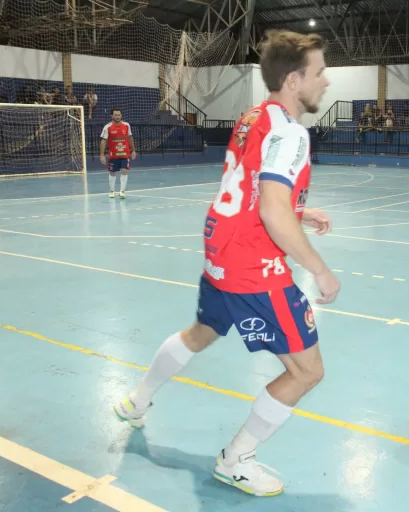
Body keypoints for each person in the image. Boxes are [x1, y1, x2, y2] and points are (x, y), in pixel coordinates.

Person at [111, 29, 339, 498]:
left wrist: (300, 211)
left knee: (200, 333)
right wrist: (318, 267)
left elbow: (253, 191)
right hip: (254, 270)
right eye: (319, 73)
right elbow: (272, 210)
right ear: (294, 80)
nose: (327, 82)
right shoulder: (291, 132)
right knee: (307, 372)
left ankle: (137, 400)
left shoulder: (252, 117)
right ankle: (236, 460)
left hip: (220, 253)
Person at [100, 108, 136, 198]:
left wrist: (133, 150)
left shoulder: (126, 125)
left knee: (124, 170)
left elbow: (130, 138)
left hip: (125, 154)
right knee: (112, 172)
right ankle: (112, 191)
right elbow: (103, 141)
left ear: (121, 115)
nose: (117, 117)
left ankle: (122, 191)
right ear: (112, 116)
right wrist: (102, 155)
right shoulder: (107, 127)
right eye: (115, 115)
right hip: (113, 155)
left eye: (119, 115)